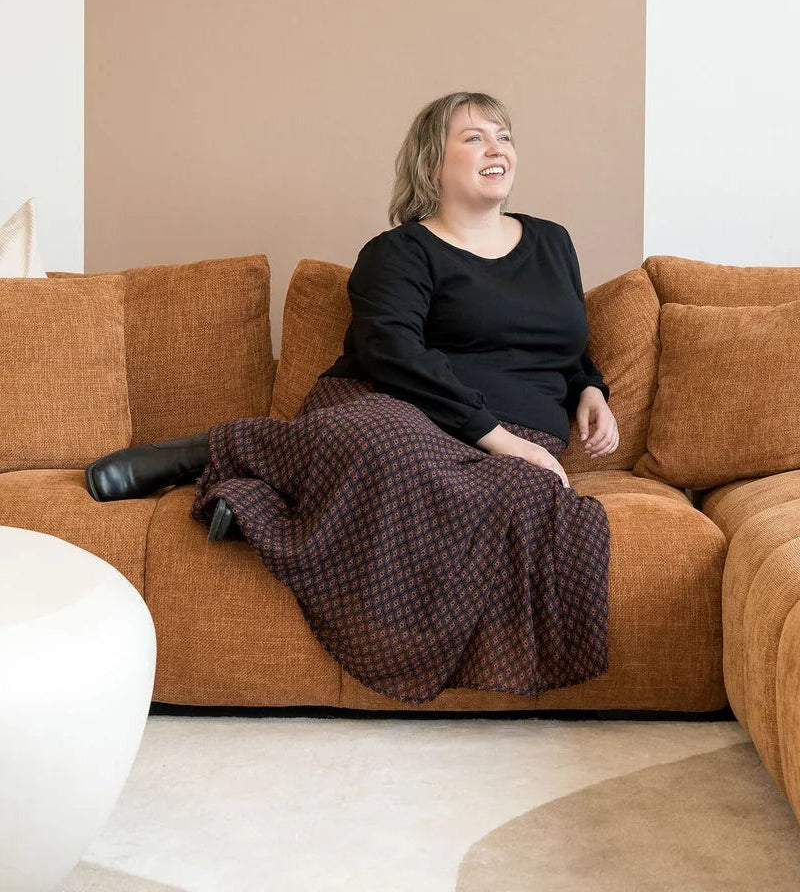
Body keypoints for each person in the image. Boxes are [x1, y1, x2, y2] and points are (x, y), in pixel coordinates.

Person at [85, 91, 617, 704]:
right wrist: (501, 441)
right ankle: (217, 451)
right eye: (474, 138)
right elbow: (394, 353)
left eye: (504, 136)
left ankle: (268, 492)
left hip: (522, 434)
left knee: (527, 499)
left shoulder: (553, 242)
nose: (496, 147)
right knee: (388, 442)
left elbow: (565, 337)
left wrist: (590, 389)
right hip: (399, 410)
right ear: (431, 164)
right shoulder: (398, 253)